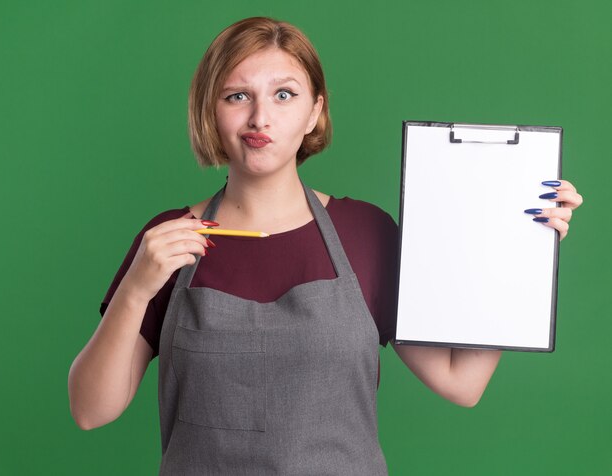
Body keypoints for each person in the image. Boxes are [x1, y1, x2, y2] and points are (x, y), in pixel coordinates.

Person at [68, 17, 583, 475]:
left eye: (284, 94)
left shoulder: (366, 233)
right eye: (237, 95)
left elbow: (460, 383)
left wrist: (519, 247)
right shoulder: (167, 241)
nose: (260, 119)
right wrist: (135, 289)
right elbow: (91, 411)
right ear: (211, 110)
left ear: (316, 111)